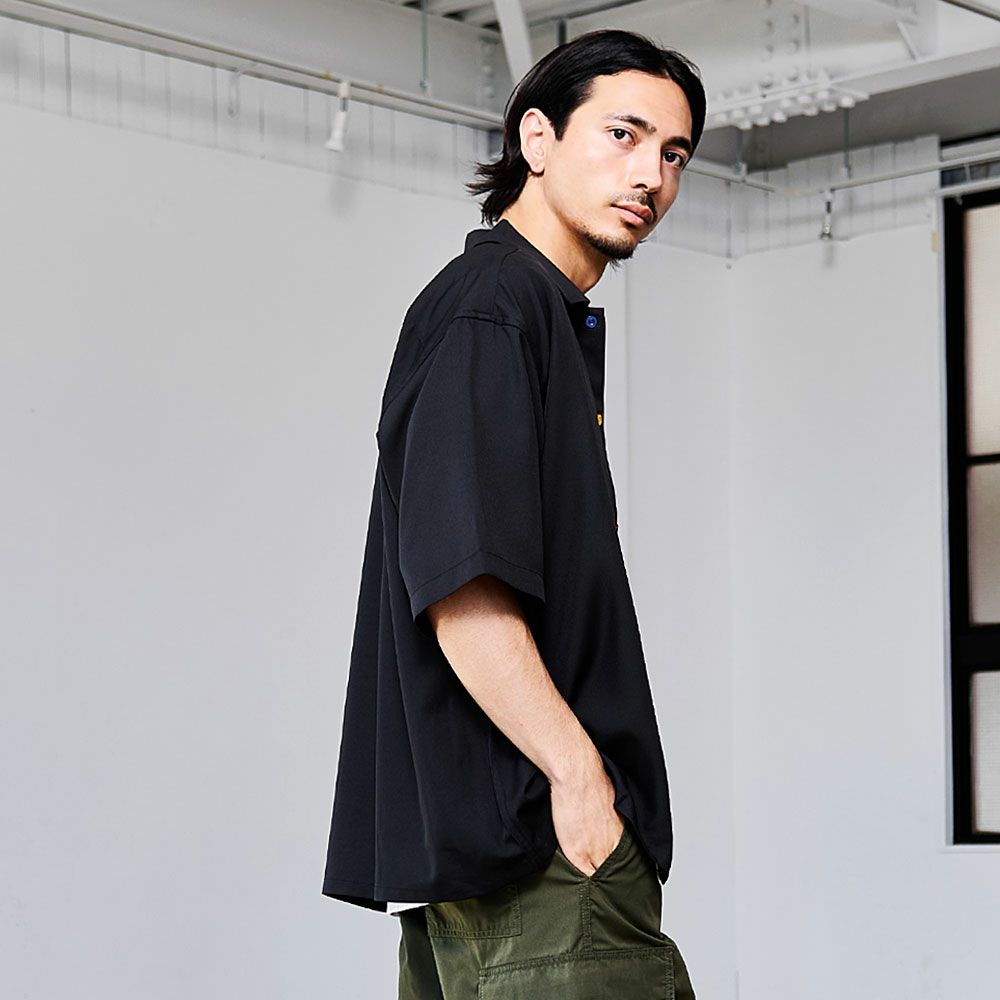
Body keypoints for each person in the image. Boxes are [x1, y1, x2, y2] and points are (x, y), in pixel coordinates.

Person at [321, 27, 706, 998]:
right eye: (622, 134)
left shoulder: (529, 313)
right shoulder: (493, 308)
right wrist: (581, 782)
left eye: (674, 154)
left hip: (503, 854)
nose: (651, 175)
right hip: (540, 854)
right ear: (537, 137)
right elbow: (464, 589)